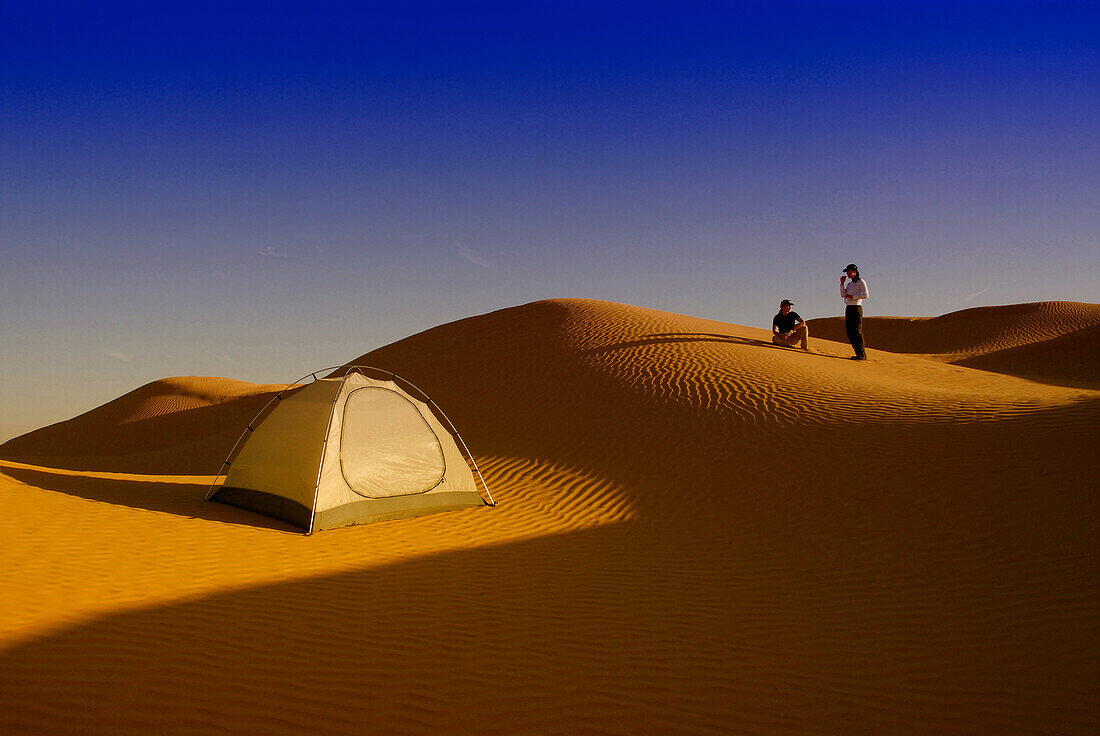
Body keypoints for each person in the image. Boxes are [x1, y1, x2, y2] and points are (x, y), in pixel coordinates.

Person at [840, 263, 869, 360]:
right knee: (849, 331)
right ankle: (857, 353)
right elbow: (843, 295)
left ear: (854, 271)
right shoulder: (849, 284)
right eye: (847, 272)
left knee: (857, 332)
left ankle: (862, 354)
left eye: (849, 272)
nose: (847, 274)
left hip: (857, 308)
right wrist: (842, 283)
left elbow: (866, 295)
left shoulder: (861, 281)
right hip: (849, 308)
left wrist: (853, 297)